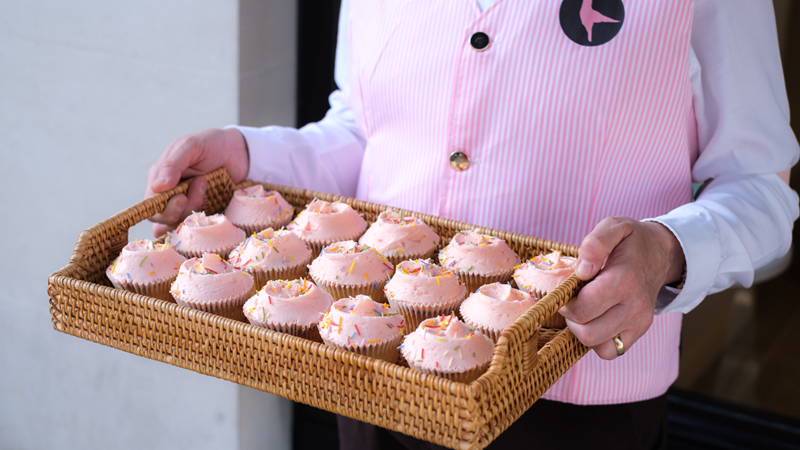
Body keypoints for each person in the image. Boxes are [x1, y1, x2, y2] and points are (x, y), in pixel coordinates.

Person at [145, 0, 799, 448]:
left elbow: (761, 189)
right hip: (376, 380)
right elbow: (364, 133)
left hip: (575, 409)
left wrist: (668, 251)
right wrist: (250, 155)